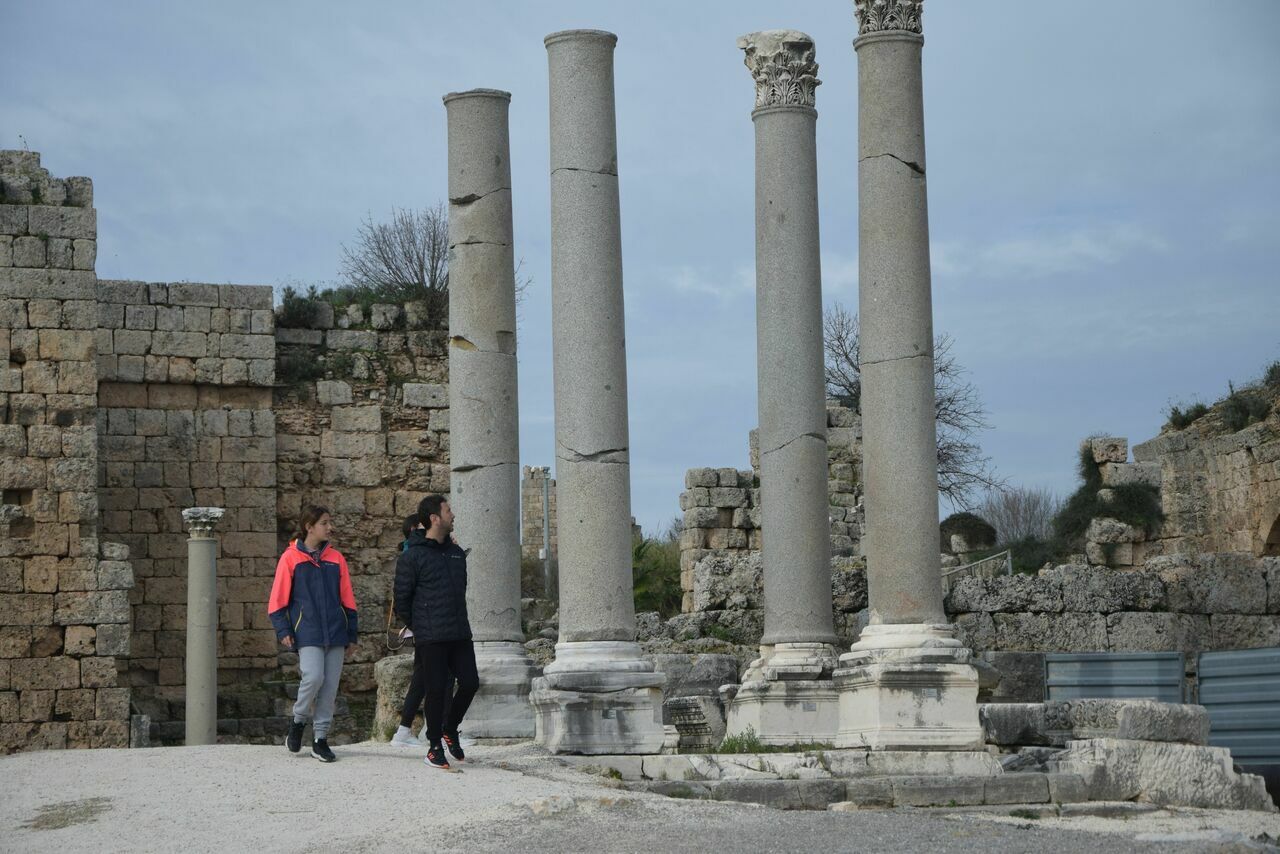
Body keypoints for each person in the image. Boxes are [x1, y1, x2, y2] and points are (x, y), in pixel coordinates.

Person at [393, 494, 478, 771]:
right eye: (448, 510)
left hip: (459, 632)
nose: (453, 515)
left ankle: (449, 729)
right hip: (431, 636)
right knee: (436, 690)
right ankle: (433, 748)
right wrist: (421, 626)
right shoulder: (412, 556)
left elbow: (460, 591)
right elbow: (401, 599)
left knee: (470, 683)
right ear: (434, 518)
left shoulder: (456, 553)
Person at [268, 505, 358, 763]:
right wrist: (283, 629)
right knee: (313, 677)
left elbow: (348, 599)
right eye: (324, 523)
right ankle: (298, 721)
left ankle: (320, 739)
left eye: (330, 522)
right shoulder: (290, 558)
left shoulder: (336, 558)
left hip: (336, 631)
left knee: (329, 687)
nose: (330, 527)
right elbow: (276, 602)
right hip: (307, 631)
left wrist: (352, 634)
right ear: (309, 527)